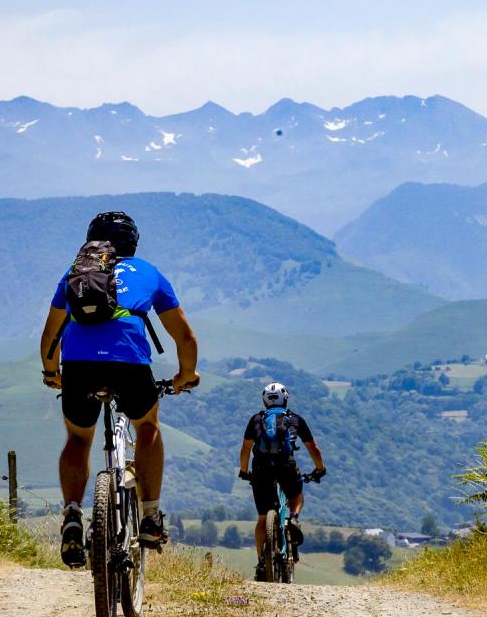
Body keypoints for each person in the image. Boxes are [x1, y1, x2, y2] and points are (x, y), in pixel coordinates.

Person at [40, 211, 199, 567]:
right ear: (134, 243)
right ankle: (150, 517)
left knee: (79, 438)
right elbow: (185, 336)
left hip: (79, 369)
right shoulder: (149, 273)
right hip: (130, 366)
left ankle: (71, 515)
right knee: (148, 427)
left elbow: (50, 335)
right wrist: (186, 374)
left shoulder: (75, 273)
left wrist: (52, 372)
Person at [238, 381, 326, 580]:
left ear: (265, 401)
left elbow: (245, 449)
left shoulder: (256, 419)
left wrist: (244, 471)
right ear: (285, 399)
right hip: (286, 466)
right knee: (296, 496)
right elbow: (313, 448)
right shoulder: (295, 419)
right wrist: (319, 469)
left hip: (260, 469)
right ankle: (293, 518)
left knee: (262, 518)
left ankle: (262, 562)